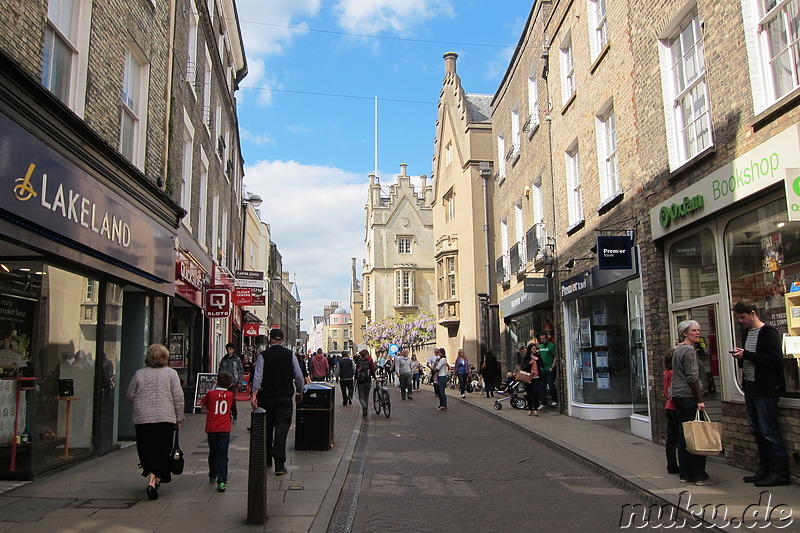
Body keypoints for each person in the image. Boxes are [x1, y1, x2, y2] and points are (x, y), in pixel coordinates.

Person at [731, 299, 790, 487]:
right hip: (751, 386)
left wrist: (746, 355)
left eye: (743, 317)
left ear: (753, 313)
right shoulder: (746, 333)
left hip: (766, 389)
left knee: (769, 431)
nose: (741, 321)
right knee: (756, 430)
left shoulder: (769, 332)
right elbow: (748, 359)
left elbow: (775, 360)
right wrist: (741, 356)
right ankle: (764, 469)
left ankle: (779, 472)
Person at [126, 344, 184, 501]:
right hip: (165, 418)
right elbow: (178, 398)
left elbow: (130, 394)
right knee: (162, 450)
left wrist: (141, 403)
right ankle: (152, 482)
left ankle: (153, 478)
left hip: (143, 419)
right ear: (165, 357)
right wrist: (179, 418)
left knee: (147, 449)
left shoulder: (139, 374)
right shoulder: (171, 374)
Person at [250, 328, 304, 476]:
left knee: (266, 429)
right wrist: (300, 391)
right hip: (285, 399)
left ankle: (266, 459)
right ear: (282, 340)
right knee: (281, 430)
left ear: (270, 339)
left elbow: (258, 377)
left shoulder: (263, 356)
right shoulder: (289, 354)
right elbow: (298, 376)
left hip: (266, 398)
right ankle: (279, 464)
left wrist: (254, 393)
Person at [670, 320, 715, 486]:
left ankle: (686, 473)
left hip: (679, 396)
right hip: (688, 397)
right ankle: (700, 475)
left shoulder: (678, 349)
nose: (697, 333)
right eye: (693, 330)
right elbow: (692, 376)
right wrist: (700, 400)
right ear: (684, 333)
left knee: (685, 435)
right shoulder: (688, 351)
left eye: (698, 330)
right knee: (697, 435)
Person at [201, 371, 234, 492]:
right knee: (223, 454)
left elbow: (203, 403)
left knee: (213, 452)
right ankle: (222, 481)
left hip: (212, 428)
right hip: (225, 429)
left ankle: (212, 475)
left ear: (217, 381)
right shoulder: (230, 395)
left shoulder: (211, 394)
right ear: (230, 384)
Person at [218, 342, 244, 423]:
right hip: (224, 382)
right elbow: (220, 370)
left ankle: (234, 414)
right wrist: (219, 379)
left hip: (233, 382)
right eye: (227, 349)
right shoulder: (224, 359)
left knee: (232, 399)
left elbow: (240, 371)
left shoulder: (237, 359)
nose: (228, 351)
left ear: (233, 350)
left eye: (230, 349)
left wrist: (239, 381)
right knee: (224, 398)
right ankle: (227, 415)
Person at [663, 354, 680, 475]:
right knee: (677, 438)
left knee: (670, 439)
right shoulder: (673, 373)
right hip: (674, 407)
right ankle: (675, 465)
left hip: (669, 406)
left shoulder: (666, 372)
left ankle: (671, 465)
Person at [522, 343, 542, 417]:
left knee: (536, 393)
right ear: (530, 350)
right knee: (529, 393)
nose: (535, 350)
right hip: (529, 377)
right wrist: (529, 364)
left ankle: (536, 409)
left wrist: (537, 359)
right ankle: (530, 409)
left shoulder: (538, 356)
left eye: (535, 349)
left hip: (537, 377)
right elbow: (524, 368)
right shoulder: (526, 358)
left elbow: (542, 364)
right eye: (533, 349)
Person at [537, 333, 558, 407]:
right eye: (541, 339)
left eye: (543, 339)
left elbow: (555, 356)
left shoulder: (551, 346)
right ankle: (543, 402)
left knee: (551, 385)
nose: (542, 340)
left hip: (549, 368)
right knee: (542, 386)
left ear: (547, 339)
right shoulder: (541, 346)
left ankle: (555, 400)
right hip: (543, 369)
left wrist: (552, 366)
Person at [355, 349, 376, 417]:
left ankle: (364, 406)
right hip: (368, 381)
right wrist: (375, 378)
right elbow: (372, 371)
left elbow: (356, 373)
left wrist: (355, 381)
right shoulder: (368, 362)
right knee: (366, 396)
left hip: (360, 382)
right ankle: (365, 409)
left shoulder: (359, 363)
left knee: (361, 397)